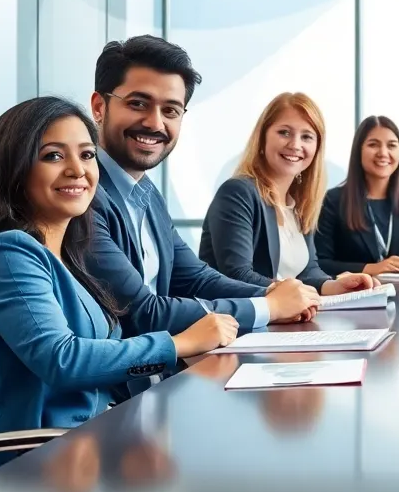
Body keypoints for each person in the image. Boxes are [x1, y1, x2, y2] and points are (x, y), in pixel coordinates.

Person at [0, 97, 237, 476]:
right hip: (33, 464)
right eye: (52, 156)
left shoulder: (66, 256)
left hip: (91, 443)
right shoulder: (7, 254)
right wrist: (180, 343)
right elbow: (62, 360)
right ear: (13, 169)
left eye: (86, 155)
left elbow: (102, 351)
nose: (77, 170)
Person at [85, 36, 320, 343]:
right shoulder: (84, 195)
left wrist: (273, 293)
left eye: (170, 110)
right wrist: (268, 306)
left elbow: (195, 277)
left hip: (165, 371)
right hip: (123, 385)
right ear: (99, 107)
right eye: (137, 104)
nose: (154, 122)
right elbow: (141, 311)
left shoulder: (147, 195)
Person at [199, 92, 376, 295]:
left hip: (283, 319)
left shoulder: (299, 202)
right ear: (262, 138)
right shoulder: (238, 192)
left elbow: (308, 271)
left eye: (307, 136)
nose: (295, 145)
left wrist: (336, 285)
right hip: (237, 320)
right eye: (284, 132)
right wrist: (297, 293)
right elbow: (237, 275)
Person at [315, 116, 399, 276]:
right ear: (358, 150)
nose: (383, 153)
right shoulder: (334, 200)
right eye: (373, 145)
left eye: (392, 146)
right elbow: (321, 263)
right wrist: (370, 269)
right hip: (355, 294)